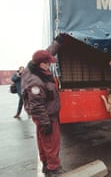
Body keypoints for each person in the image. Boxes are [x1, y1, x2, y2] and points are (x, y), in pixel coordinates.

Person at [21, 36, 64, 177]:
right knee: (51, 142)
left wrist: (57, 43)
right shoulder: (36, 82)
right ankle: (53, 169)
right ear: (41, 64)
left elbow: (47, 52)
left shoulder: (34, 66)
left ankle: (46, 165)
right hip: (46, 115)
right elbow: (37, 106)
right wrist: (46, 122)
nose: (49, 65)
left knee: (43, 140)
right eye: (47, 63)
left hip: (45, 115)